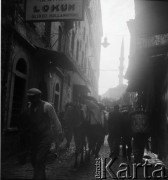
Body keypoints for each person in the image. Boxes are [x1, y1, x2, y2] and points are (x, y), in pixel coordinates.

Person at [18, 88, 62, 180]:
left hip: (46, 137)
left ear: (38, 97)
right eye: (29, 98)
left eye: (33, 98)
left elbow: (56, 121)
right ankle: (41, 176)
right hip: (35, 137)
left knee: (39, 159)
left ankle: (37, 177)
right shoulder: (30, 107)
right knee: (33, 159)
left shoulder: (47, 106)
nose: (30, 100)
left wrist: (59, 134)